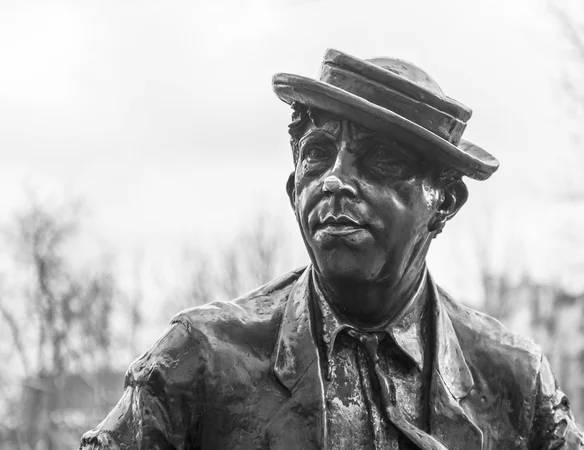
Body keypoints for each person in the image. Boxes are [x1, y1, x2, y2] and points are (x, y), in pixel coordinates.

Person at [79, 49, 583, 449]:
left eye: (380, 160)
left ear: (444, 202)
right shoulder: (200, 360)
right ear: (292, 189)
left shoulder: (514, 380)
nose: (336, 180)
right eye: (318, 154)